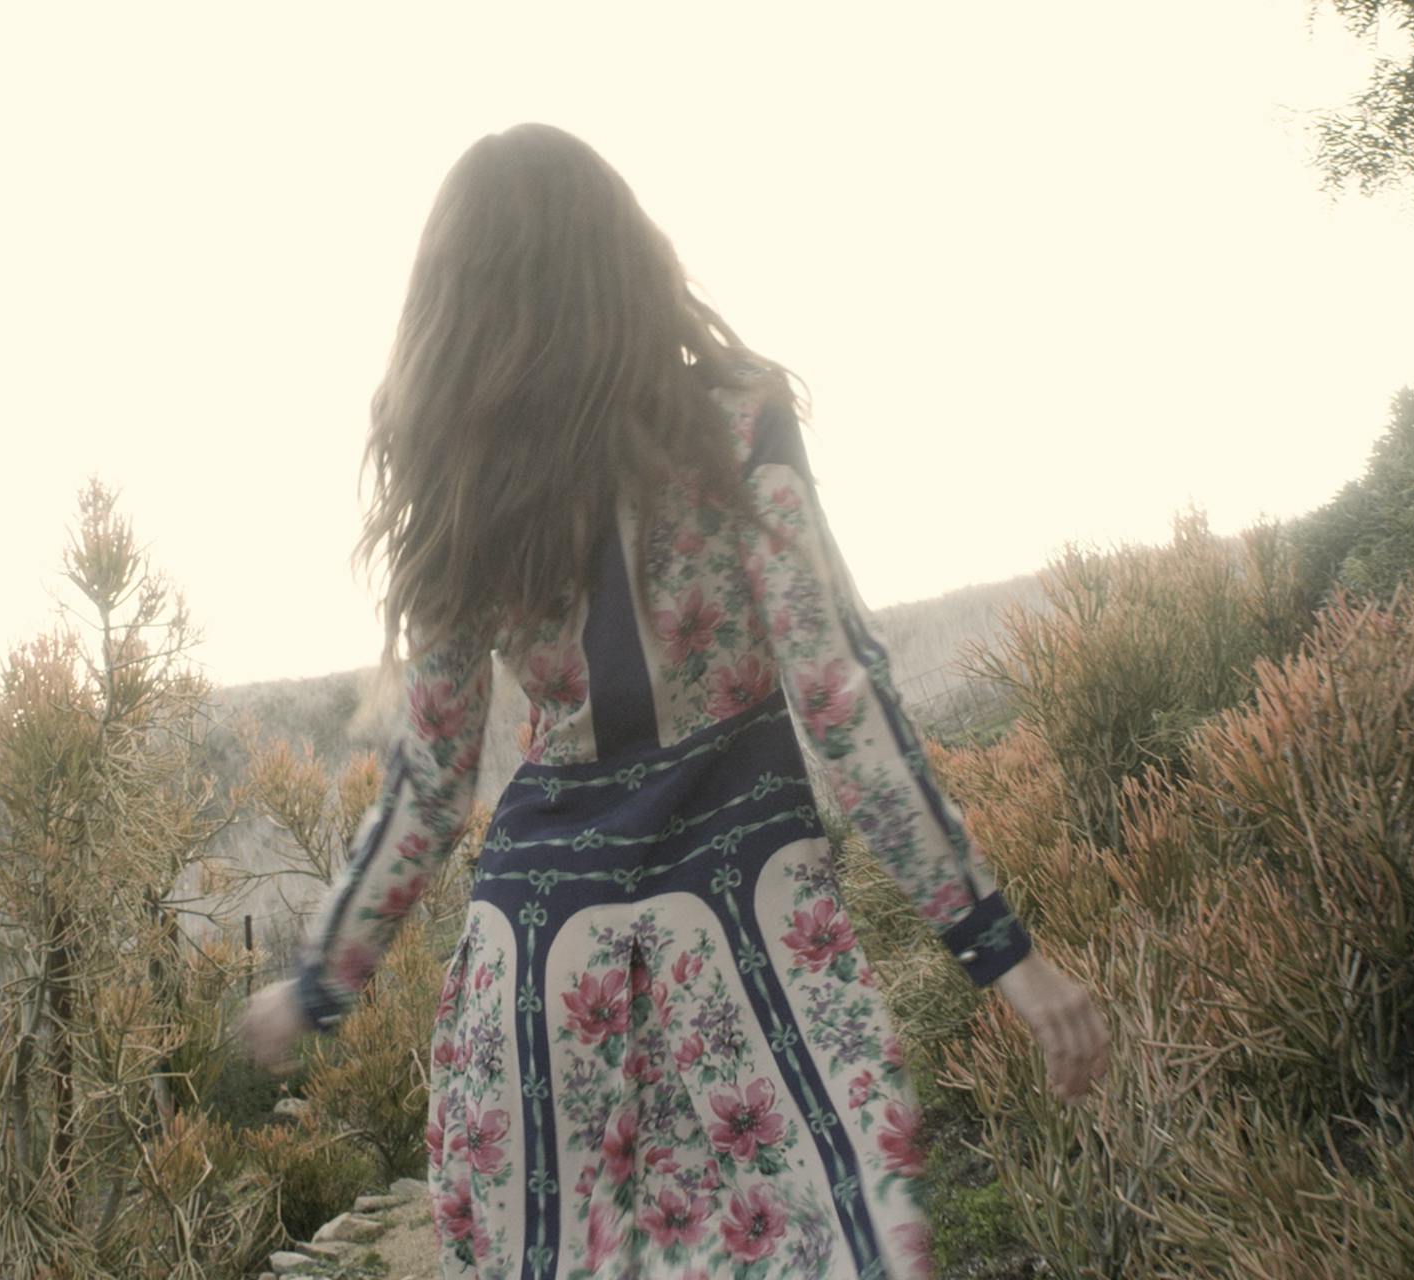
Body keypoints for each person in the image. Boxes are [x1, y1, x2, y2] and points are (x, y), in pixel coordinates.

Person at [240, 122, 1109, 1280]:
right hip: (747, 935)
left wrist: (316, 983)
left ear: (453, 302)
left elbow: (430, 782)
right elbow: (840, 698)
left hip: (537, 966)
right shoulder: (739, 421)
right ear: (628, 253)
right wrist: (1003, 953)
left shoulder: (464, 486)